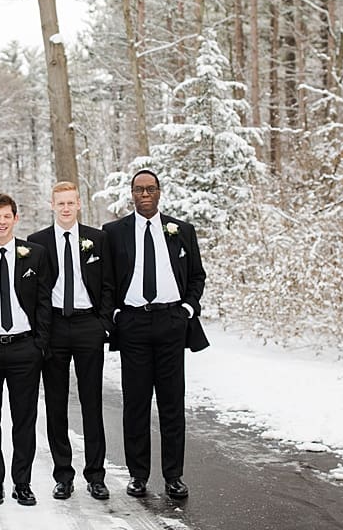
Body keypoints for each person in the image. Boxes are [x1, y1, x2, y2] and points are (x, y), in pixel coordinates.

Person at [103, 169, 208, 501]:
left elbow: (197, 276)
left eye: (150, 189)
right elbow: (105, 280)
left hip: (171, 323)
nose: (144, 194)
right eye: (138, 189)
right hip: (132, 324)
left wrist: (188, 310)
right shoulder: (114, 232)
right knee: (135, 403)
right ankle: (138, 475)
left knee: (172, 403)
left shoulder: (181, 231)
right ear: (131, 194)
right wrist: (117, 314)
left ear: (159, 192)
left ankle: (173, 476)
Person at [27, 181, 113, 501]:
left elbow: (108, 285)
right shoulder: (37, 242)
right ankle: (63, 475)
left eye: (70, 203)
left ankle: (96, 475)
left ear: (79, 204)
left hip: (88, 325)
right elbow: (34, 291)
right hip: (54, 329)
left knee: (92, 402)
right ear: (52, 205)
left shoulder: (97, 239)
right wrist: (41, 332)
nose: (65, 208)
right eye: (59, 203)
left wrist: (103, 324)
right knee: (56, 404)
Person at [0, 193, 51, 508]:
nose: (2, 222)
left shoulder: (35, 254)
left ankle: (22, 482)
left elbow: (44, 301)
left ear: (15, 219)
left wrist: (40, 343)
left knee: (24, 418)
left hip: (24, 348)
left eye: (8, 216)